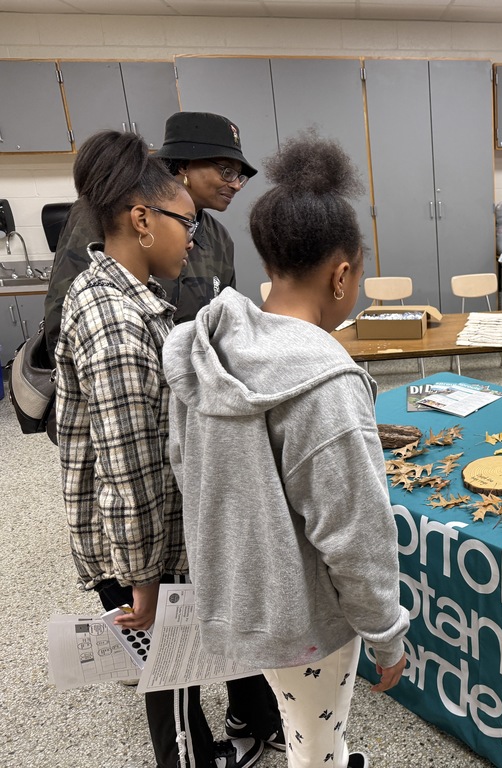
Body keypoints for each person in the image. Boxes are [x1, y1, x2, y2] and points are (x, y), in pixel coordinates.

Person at [163, 131, 410, 768]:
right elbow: (355, 532)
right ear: (343, 273)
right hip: (304, 617)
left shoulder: (210, 344)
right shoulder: (326, 382)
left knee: (307, 731)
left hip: (239, 598)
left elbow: (184, 462)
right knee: (317, 747)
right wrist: (385, 634)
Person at [53, 129, 270, 768]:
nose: (193, 237)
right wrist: (142, 582)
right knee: (172, 684)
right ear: (143, 219)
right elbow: (129, 470)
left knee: (178, 666)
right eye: (185, 222)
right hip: (137, 548)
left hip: (147, 539)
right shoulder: (116, 323)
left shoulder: (126, 294)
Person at [43, 111, 257, 367]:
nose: (236, 185)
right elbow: (64, 315)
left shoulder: (218, 239)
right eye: (226, 172)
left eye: (239, 177)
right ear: (184, 165)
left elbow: (223, 322)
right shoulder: (113, 214)